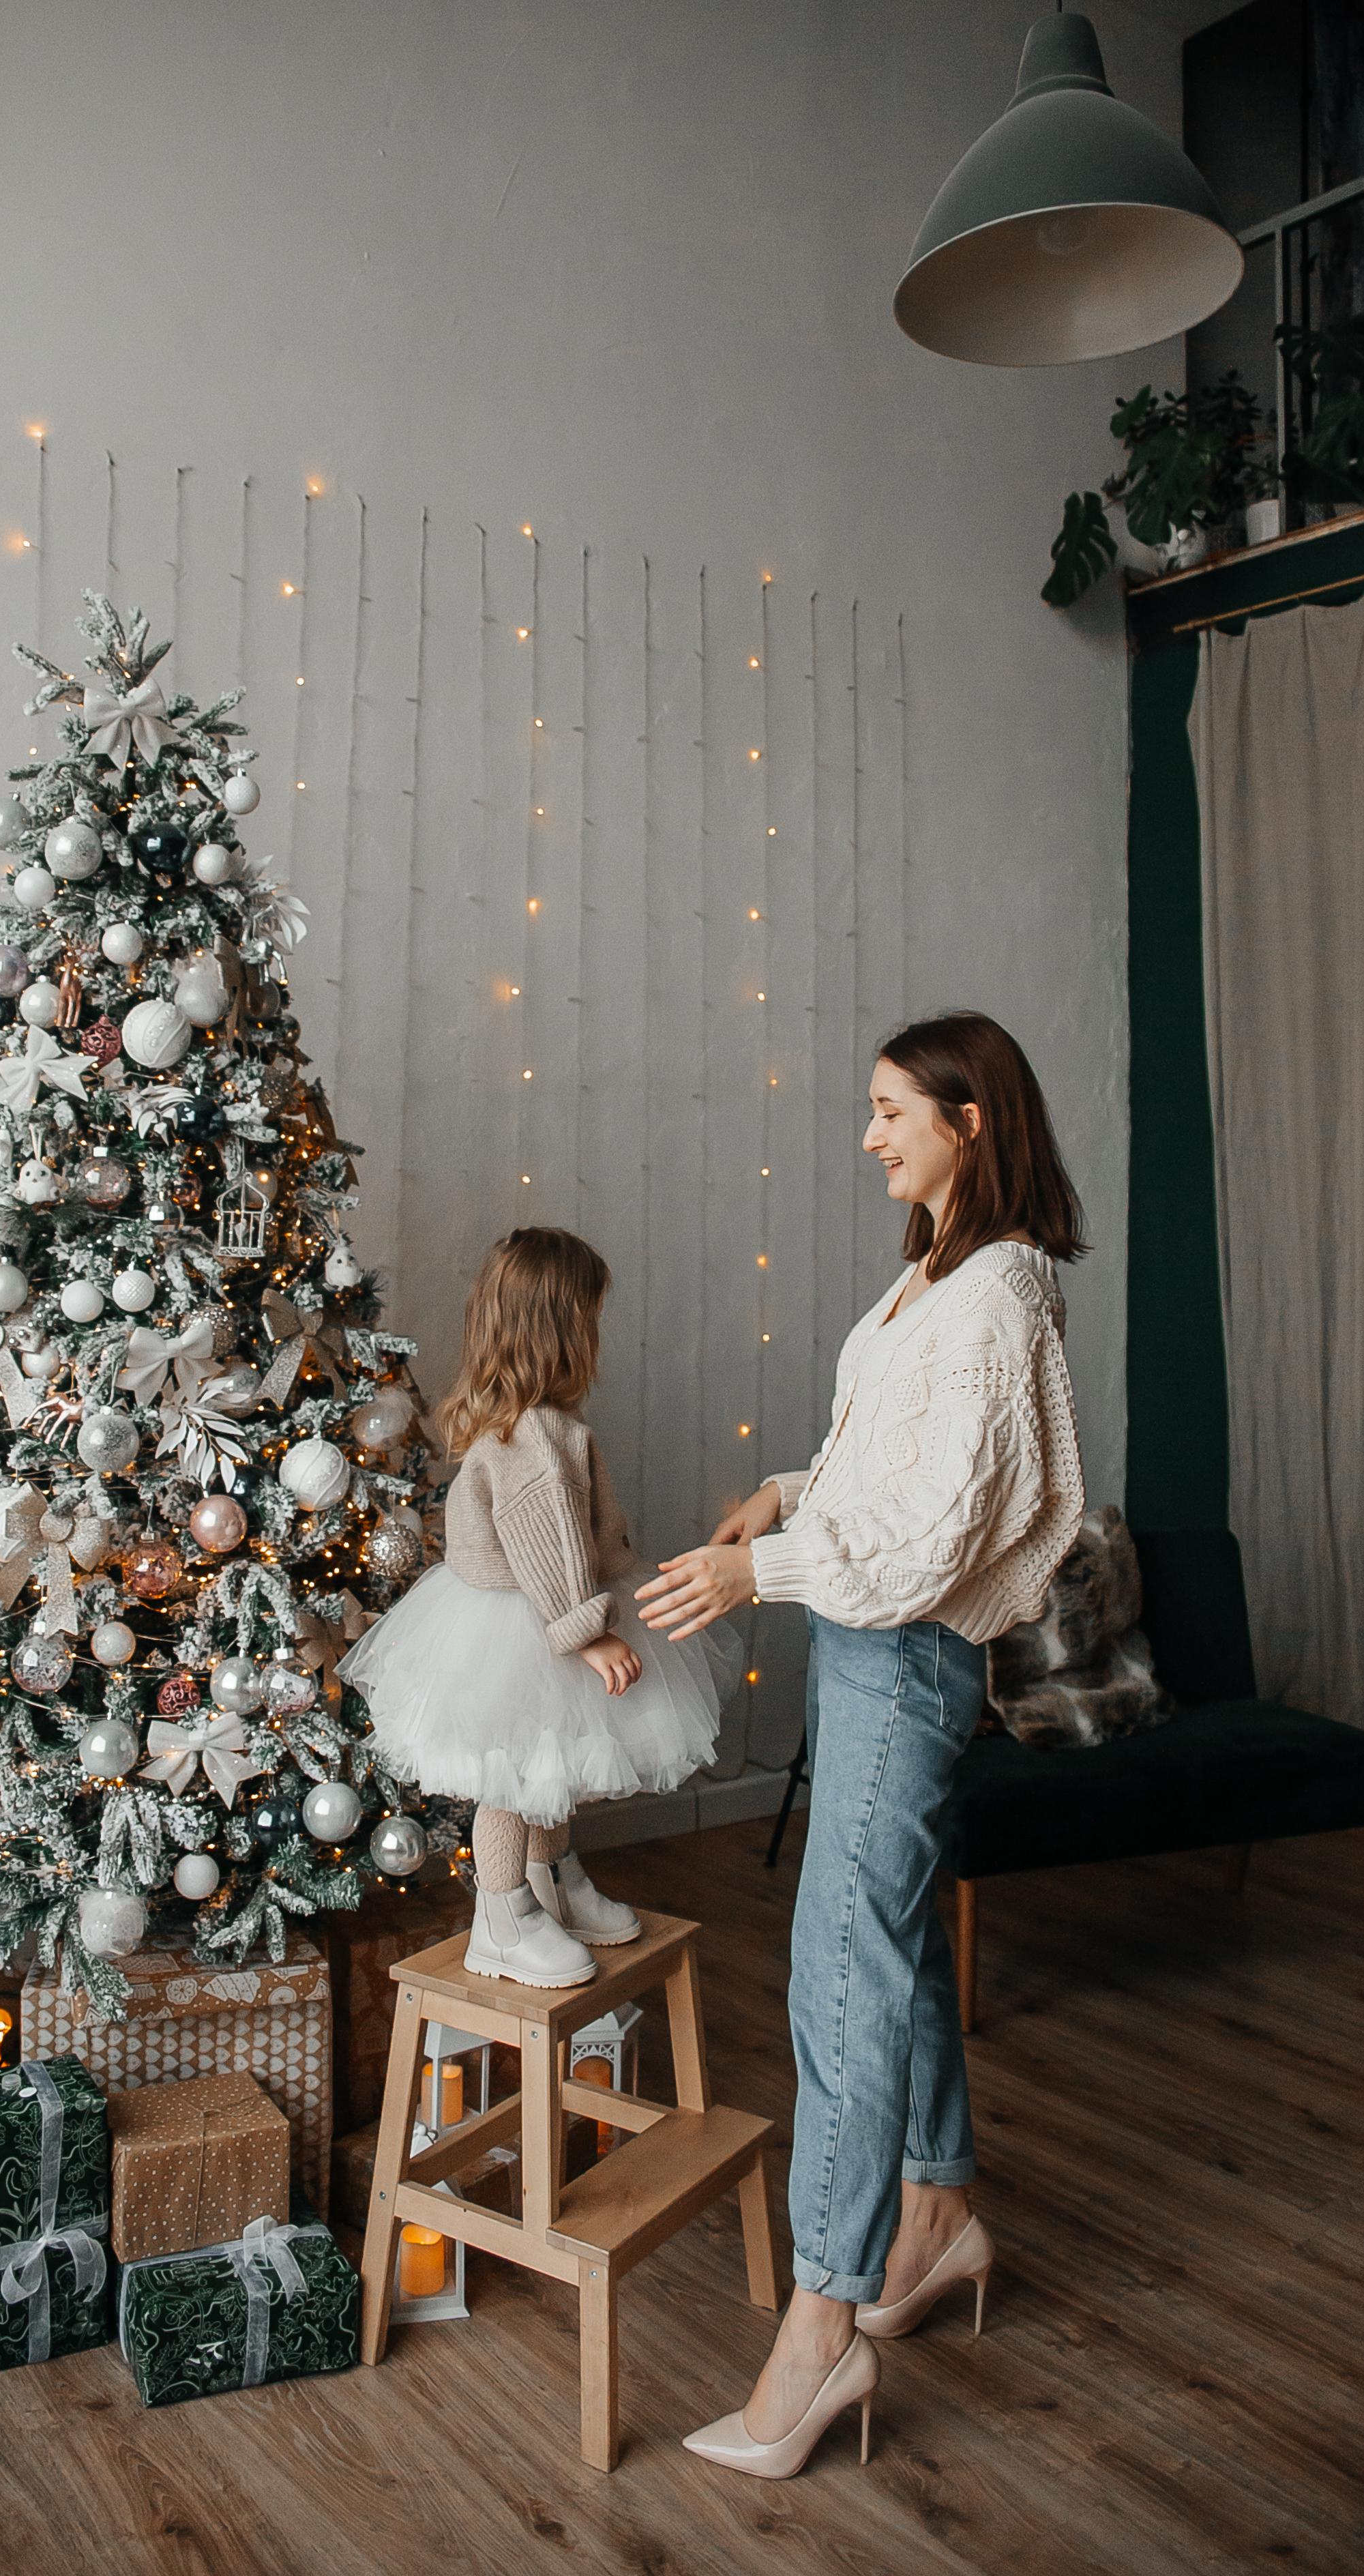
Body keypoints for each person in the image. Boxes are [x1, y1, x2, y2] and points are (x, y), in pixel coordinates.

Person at [638, 1012, 1087, 2478]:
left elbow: (936, 1532)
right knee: (884, 1950)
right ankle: (938, 2209)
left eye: (891, 1108)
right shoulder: (934, 1280)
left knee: (839, 1975)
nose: (869, 1132)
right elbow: (881, 1470)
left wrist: (751, 1576)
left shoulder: (993, 1299)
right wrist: (780, 1494)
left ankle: (817, 2327)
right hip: (865, 1648)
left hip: (898, 1659)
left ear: (971, 1120)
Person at [341, 1226, 741, 1987]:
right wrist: (587, 1634)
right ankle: (502, 1912)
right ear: (563, 1330)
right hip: (532, 1619)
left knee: (547, 1766)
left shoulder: (524, 1422)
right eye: (589, 1317)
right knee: (511, 1778)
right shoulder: (535, 1437)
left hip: (535, 1610)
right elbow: (545, 1543)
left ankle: (554, 1882)